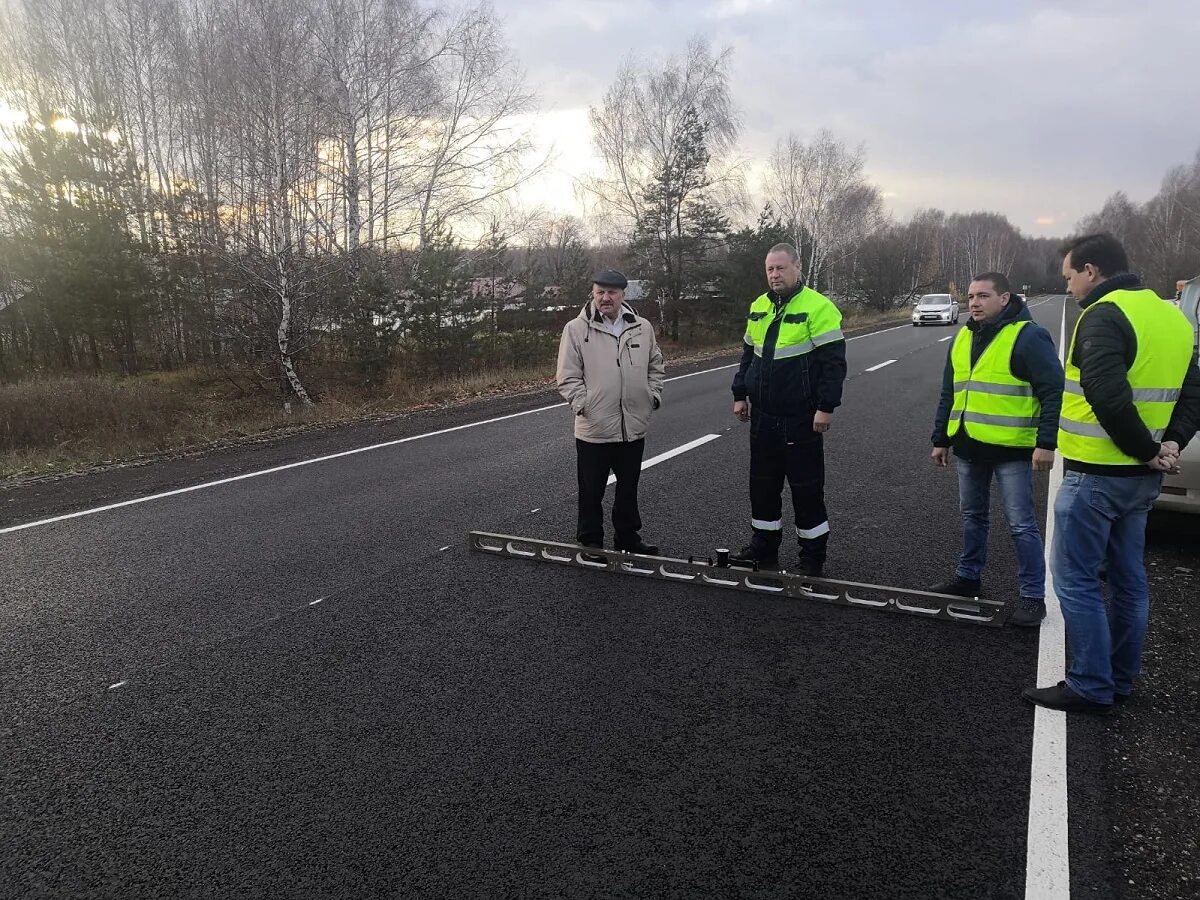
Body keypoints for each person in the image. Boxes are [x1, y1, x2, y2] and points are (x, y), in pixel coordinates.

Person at [1024, 233, 1200, 714]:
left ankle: (1090, 684)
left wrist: (1146, 449)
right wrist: (1170, 446)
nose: (1071, 287)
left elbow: (1106, 394)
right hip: (1141, 481)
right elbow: (1194, 391)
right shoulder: (1172, 316)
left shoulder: (1102, 315)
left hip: (1096, 475)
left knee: (1076, 581)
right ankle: (1120, 679)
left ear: (1092, 271)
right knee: (1128, 580)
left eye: (1070, 277)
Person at [929, 272, 1064, 627]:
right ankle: (968, 577)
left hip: (1011, 450)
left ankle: (1033, 597)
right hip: (969, 445)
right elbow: (950, 392)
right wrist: (941, 438)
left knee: (1021, 525)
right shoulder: (962, 336)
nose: (973, 302)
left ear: (1004, 299)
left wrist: (1046, 443)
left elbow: (1053, 391)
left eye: (983, 296)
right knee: (973, 516)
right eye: (971, 296)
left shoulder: (1029, 336)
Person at [730, 243, 847, 575]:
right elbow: (748, 357)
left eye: (780, 268)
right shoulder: (758, 306)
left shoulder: (819, 307)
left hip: (801, 417)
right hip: (763, 416)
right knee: (762, 486)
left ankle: (812, 557)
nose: (774, 274)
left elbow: (833, 364)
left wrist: (826, 407)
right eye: (769, 269)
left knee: (806, 489)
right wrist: (740, 394)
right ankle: (763, 547)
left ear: (798, 268)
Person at [556, 269, 665, 555]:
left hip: (632, 425)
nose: (606, 298)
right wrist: (584, 405)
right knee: (591, 490)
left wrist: (651, 396)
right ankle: (590, 540)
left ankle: (628, 537)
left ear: (622, 295)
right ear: (592, 293)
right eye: (600, 292)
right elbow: (567, 376)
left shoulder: (642, 327)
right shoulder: (577, 330)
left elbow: (656, 365)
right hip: (595, 426)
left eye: (612, 292)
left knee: (628, 488)